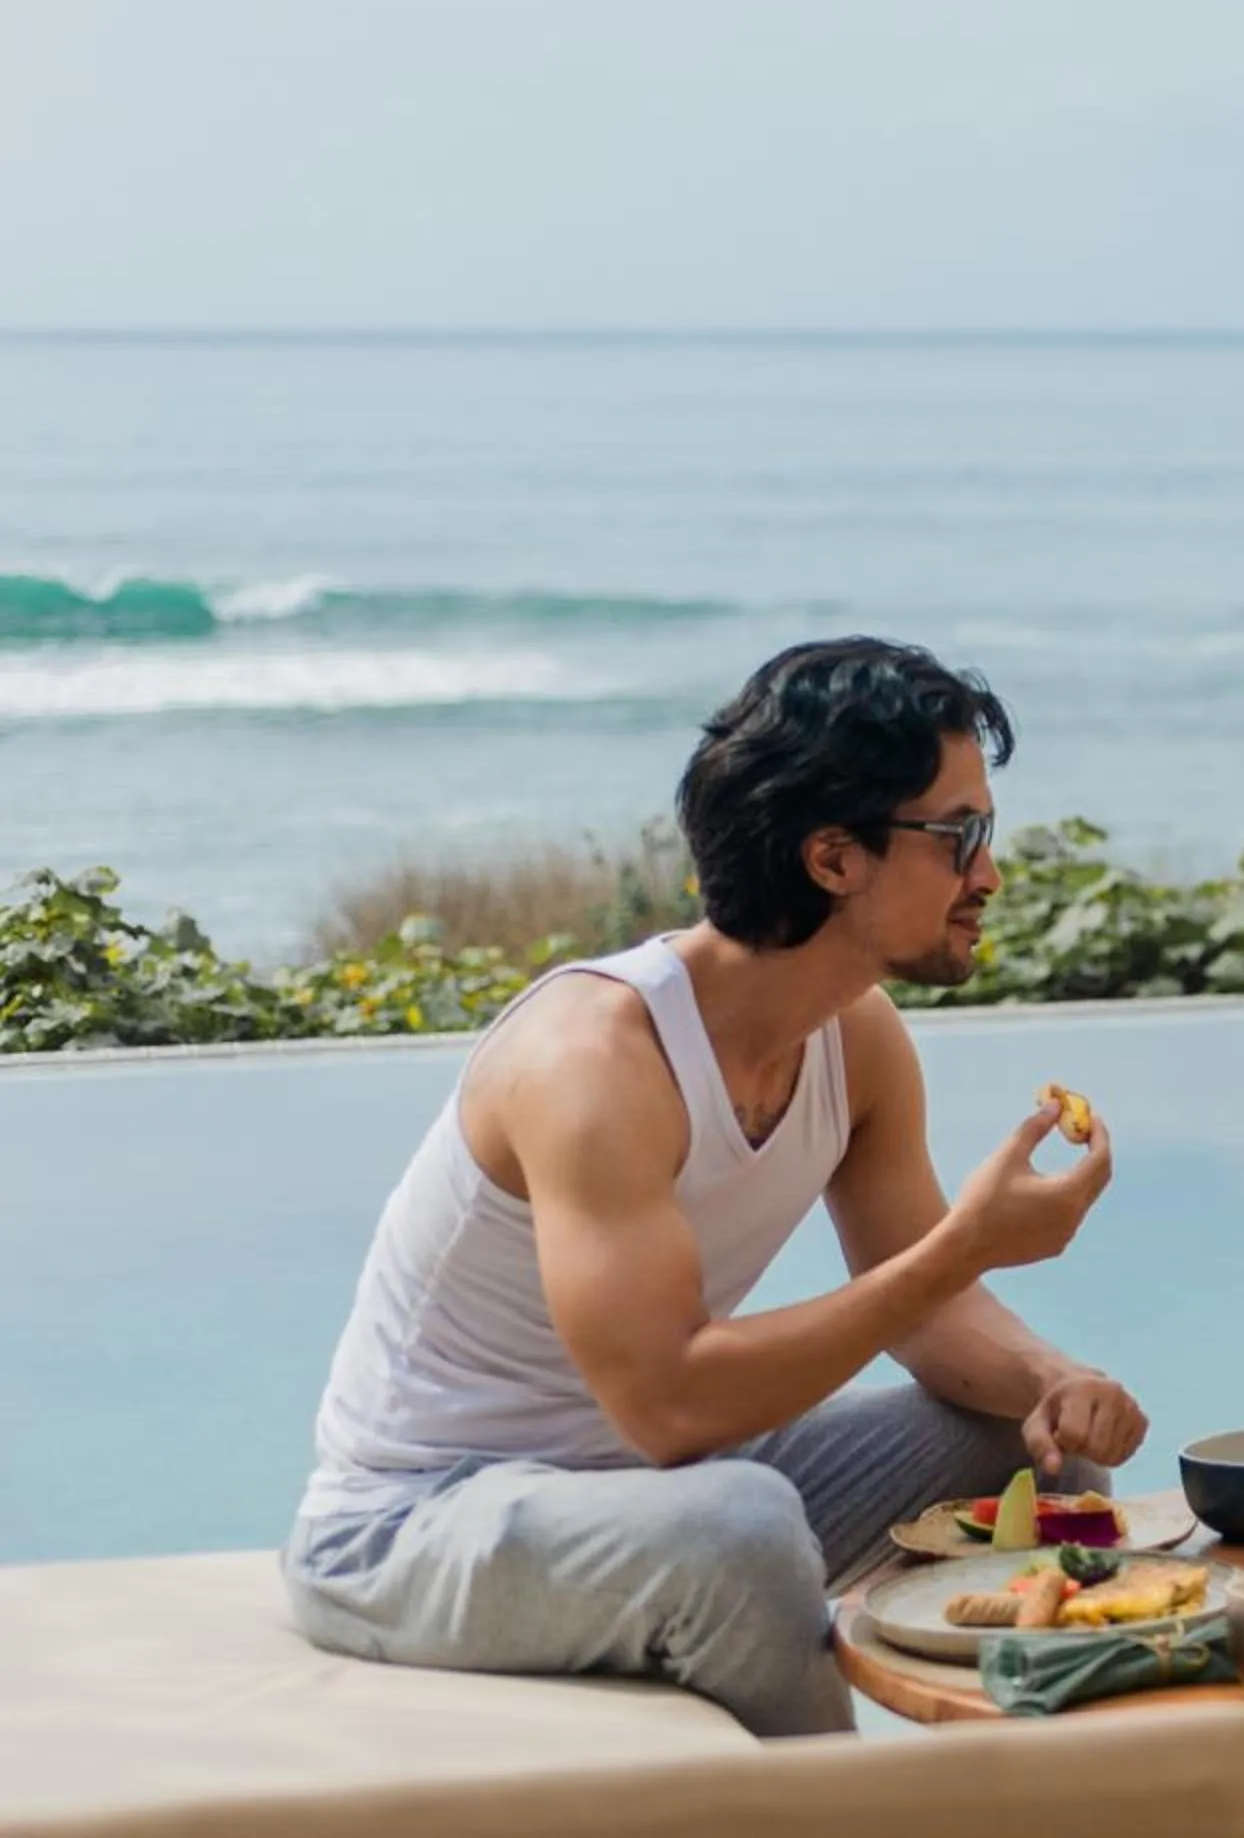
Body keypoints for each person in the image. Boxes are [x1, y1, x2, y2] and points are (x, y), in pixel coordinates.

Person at [283, 637, 1146, 1735]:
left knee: (1038, 1449)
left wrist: (1054, 1376)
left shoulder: (857, 1040)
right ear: (834, 856)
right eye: (958, 834)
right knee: (737, 1528)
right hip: (414, 1525)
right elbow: (669, 1403)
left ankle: (1036, 1794)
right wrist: (966, 1243)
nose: (988, 873)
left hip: (643, 1485)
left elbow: (925, 1312)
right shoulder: (594, 1063)